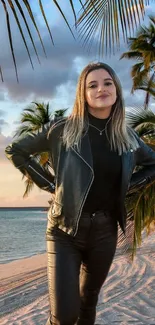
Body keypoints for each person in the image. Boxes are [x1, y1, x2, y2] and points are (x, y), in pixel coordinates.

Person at [5, 62, 155, 325]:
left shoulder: (127, 137)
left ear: (116, 90)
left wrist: (127, 186)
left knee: (88, 303)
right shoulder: (61, 129)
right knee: (65, 316)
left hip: (105, 232)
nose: (101, 89)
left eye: (107, 83)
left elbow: (153, 163)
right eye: (92, 85)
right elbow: (16, 150)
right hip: (64, 231)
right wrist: (51, 185)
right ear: (82, 94)